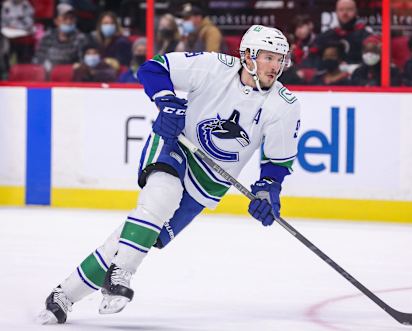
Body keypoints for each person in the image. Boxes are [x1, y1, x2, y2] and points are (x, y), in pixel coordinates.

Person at [37, 24, 301, 324]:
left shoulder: (285, 105)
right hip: (175, 143)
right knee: (162, 196)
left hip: (209, 181)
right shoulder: (214, 67)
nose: (276, 66)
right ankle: (121, 276)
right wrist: (166, 102)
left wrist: (268, 189)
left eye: (281, 59)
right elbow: (152, 69)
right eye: (269, 57)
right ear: (248, 56)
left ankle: (63, 295)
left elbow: (277, 162)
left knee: (139, 237)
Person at [315, 0, 373, 66]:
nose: (345, 13)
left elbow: (371, 61)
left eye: (349, 9)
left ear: (356, 12)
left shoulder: (366, 37)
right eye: (341, 10)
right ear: (336, 12)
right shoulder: (324, 37)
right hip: (331, 75)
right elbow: (314, 61)